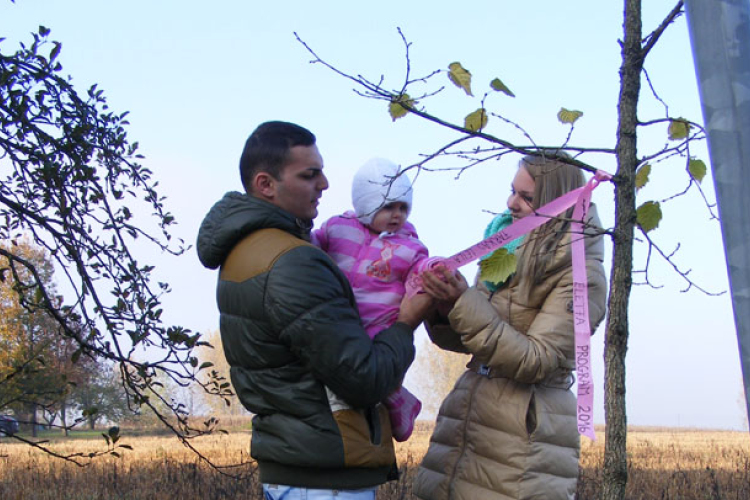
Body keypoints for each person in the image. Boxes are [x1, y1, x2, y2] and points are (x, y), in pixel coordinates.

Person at [196, 121, 432, 500]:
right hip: (323, 478)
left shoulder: (249, 248)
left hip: (295, 468)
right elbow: (364, 378)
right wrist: (406, 322)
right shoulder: (295, 262)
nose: (324, 184)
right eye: (310, 174)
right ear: (266, 184)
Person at [413, 153, 608, 500]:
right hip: (471, 420)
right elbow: (476, 337)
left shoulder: (581, 274)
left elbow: (538, 360)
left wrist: (464, 303)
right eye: (512, 191)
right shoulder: (506, 249)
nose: (511, 203)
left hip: (522, 439)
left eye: (527, 197)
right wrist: (445, 306)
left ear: (556, 202)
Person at [312, 157, 428, 442]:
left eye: (403, 207)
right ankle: (394, 404)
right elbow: (311, 245)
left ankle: (398, 403)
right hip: (343, 315)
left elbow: (421, 270)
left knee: (375, 365)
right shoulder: (337, 228)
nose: (397, 215)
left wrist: (435, 268)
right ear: (365, 204)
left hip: (380, 319)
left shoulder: (409, 246)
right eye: (388, 206)